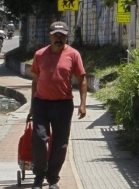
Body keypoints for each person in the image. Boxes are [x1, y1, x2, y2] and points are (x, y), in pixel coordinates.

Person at [28, 21, 87, 189]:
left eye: (62, 35)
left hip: (63, 105)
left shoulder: (73, 55)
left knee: (61, 144)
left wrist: (83, 104)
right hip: (41, 104)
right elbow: (35, 80)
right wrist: (32, 103)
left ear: (67, 36)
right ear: (50, 36)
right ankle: (39, 176)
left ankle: (52, 178)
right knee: (39, 138)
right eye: (55, 35)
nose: (58, 38)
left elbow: (82, 80)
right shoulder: (40, 55)